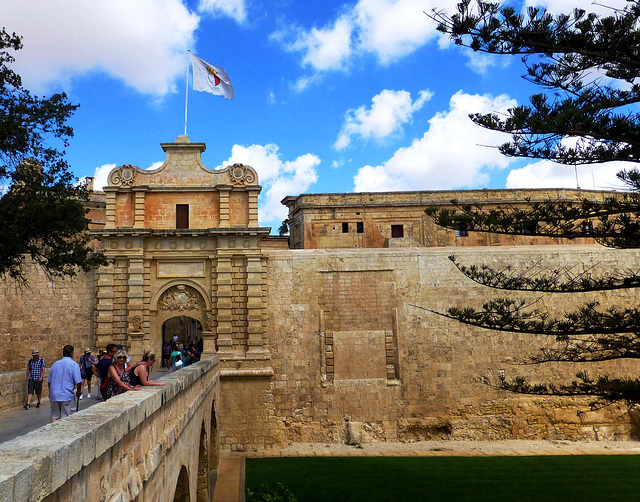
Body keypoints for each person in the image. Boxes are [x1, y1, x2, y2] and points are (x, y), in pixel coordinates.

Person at [47, 345, 82, 422]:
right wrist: (79, 391)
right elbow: (78, 381)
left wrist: (50, 392)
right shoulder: (73, 365)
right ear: (72, 353)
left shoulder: (55, 364)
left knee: (54, 416)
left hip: (54, 394)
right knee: (66, 416)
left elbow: (49, 381)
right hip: (66, 394)